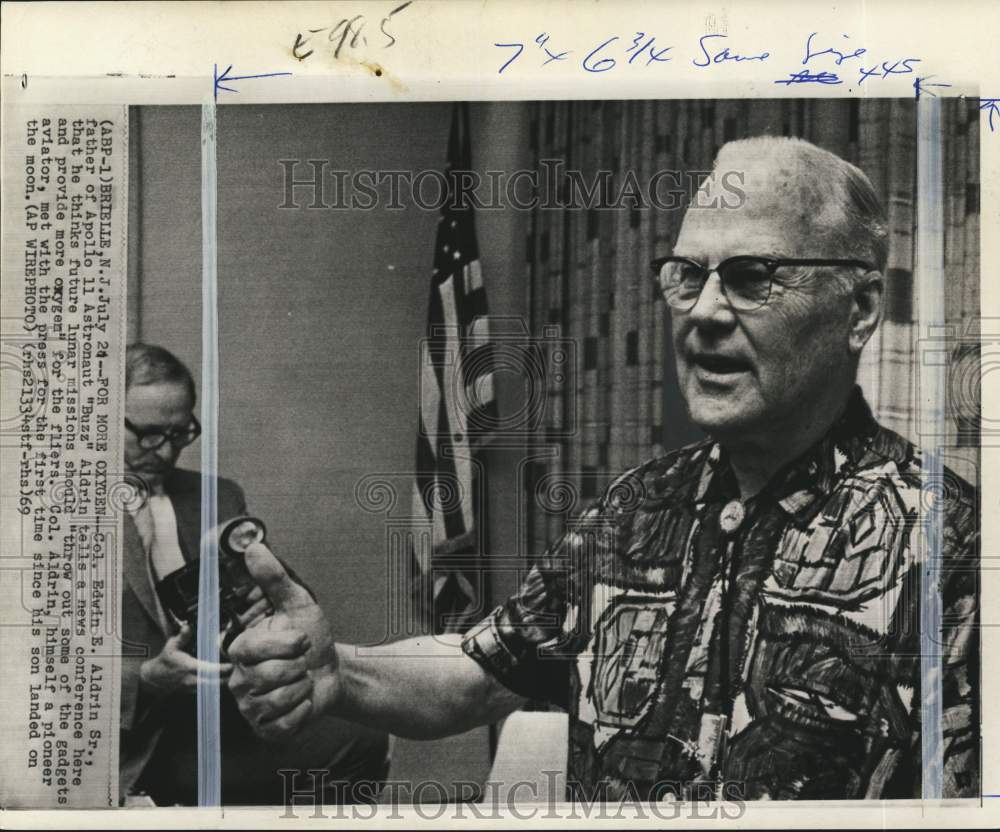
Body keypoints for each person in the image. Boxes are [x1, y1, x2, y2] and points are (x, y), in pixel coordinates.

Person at [227, 137, 979, 801]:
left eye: (753, 275)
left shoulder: (953, 544)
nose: (705, 312)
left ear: (860, 308)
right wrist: (339, 674)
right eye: (688, 275)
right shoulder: (634, 508)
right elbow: (479, 671)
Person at [118, 343, 388, 805]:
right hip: (127, 738)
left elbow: (294, 596)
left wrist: (267, 603)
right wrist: (147, 678)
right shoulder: (47, 514)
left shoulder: (219, 496)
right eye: (147, 435)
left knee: (360, 739)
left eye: (181, 433)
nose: (165, 452)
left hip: (226, 713)